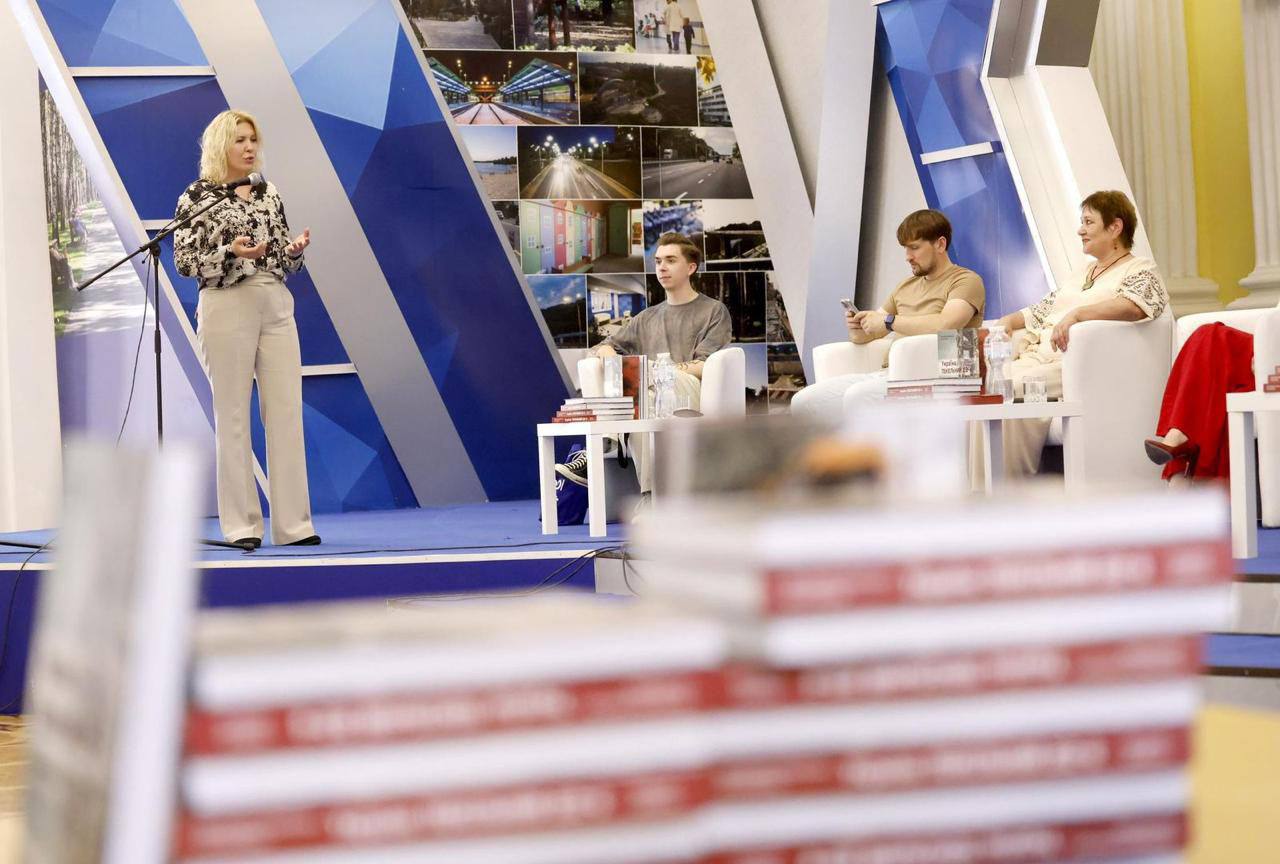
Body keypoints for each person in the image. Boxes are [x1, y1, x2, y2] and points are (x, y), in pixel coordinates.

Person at [174, 110, 320, 549]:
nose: (250, 147)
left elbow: (281, 255)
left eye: (253, 139)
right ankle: (242, 526)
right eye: (240, 139)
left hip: (274, 301)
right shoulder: (197, 197)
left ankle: (294, 526)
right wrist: (231, 253)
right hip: (227, 304)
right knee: (233, 416)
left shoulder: (268, 192)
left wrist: (293, 252)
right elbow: (185, 262)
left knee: (286, 413)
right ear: (221, 145)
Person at [992, 190, 1168, 476]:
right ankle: (978, 489)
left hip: (1072, 365)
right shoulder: (1082, 273)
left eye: (1088, 222)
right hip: (1036, 358)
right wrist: (1006, 322)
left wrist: (1077, 315)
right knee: (986, 388)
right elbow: (1041, 310)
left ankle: (1008, 490)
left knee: (1012, 387)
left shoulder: (1140, 269)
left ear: (1115, 227)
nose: (1080, 230)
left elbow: (1134, 306)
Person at [555, 231, 731, 491]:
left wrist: (655, 371)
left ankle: (602, 445)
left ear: (691, 268)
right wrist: (612, 358)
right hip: (647, 395)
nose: (662, 267)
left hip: (690, 392)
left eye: (671, 260)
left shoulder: (713, 310)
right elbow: (602, 346)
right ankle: (645, 489)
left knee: (640, 382)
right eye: (658, 261)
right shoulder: (647, 317)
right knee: (636, 390)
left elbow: (705, 365)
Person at [789, 209, 985, 423]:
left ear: (940, 244)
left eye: (914, 247)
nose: (908, 257)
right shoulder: (905, 286)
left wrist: (889, 321)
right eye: (905, 248)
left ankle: (870, 446)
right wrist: (858, 326)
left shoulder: (966, 280)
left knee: (858, 396)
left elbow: (946, 323)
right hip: (891, 374)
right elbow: (869, 333)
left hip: (940, 377)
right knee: (804, 402)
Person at [1144, 313, 1275, 483]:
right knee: (1209, 334)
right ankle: (1179, 436)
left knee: (1221, 384)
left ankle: (1180, 451)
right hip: (1269, 349)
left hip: (1272, 364)